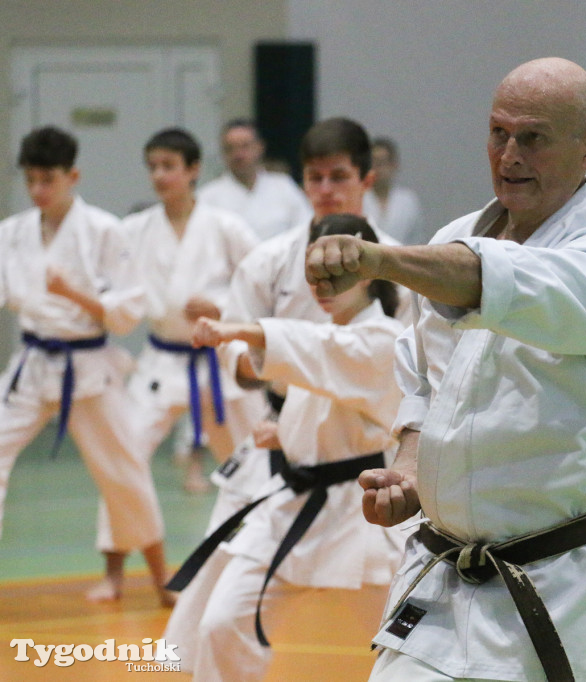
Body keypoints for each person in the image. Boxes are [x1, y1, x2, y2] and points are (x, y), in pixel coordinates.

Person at [306, 57, 586, 681]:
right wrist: (411, 469)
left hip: (580, 577)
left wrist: (379, 259)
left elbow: (500, 280)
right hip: (452, 577)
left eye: (533, 138)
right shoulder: (452, 237)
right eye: (499, 133)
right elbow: (425, 382)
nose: (510, 155)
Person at [160, 117, 385, 656]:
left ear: (366, 179)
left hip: (368, 453)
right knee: (208, 619)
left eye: (338, 177)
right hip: (282, 441)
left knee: (408, 628)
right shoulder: (271, 259)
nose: (326, 190)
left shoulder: (395, 260)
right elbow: (237, 358)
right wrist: (268, 356)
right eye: (315, 178)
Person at [90, 128, 265, 602]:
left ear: (192, 170)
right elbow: (106, 282)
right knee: (122, 459)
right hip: (161, 361)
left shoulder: (225, 226)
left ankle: (264, 558)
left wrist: (221, 304)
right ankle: (113, 570)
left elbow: (260, 281)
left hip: (217, 358)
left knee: (254, 460)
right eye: (153, 166)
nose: (159, 175)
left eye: (169, 166)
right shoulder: (134, 229)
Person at [0, 126, 170, 605]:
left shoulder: (103, 230)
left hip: (88, 368)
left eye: (47, 179)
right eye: (31, 180)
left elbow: (128, 309)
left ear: (72, 175)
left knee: (123, 468)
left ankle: (161, 579)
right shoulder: (11, 233)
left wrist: (73, 293)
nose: (38, 191)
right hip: (31, 365)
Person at [198, 118, 312, 241]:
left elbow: (305, 230)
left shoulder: (284, 187)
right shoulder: (207, 197)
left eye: (244, 146)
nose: (238, 155)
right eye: (230, 148)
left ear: (260, 147)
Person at [362, 136, 428, 245]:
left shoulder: (408, 201)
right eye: (373, 163)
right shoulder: (359, 198)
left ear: (394, 165)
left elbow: (417, 240)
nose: (378, 169)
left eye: (382, 163)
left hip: (402, 259)